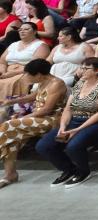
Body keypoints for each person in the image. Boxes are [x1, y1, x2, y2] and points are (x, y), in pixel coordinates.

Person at [36, 57, 98, 188]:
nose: (82, 71)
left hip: (97, 122)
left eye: (86, 68)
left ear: (97, 71)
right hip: (75, 120)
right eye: (81, 68)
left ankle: (84, 172)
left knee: (73, 146)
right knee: (43, 145)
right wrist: (63, 126)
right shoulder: (80, 83)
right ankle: (69, 169)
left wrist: (78, 129)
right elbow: (68, 108)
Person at [0, 59, 66, 189]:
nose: (26, 77)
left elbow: (47, 110)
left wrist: (24, 117)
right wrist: (12, 101)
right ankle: (10, 174)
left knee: (9, 126)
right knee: (12, 137)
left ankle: (10, 174)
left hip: (52, 119)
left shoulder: (56, 84)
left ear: (39, 74)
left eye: (28, 74)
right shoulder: (43, 82)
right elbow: (32, 97)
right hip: (38, 118)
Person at [0, 22, 50, 100]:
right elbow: (2, 62)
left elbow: (35, 66)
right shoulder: (13, 45)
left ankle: (8, 104)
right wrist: (3, 72)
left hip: (26, 72)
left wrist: (13, 73)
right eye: (20, 30)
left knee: (8, 83)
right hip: (7, 71)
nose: (22, 31)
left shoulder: (41, 45)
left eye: (26, 29)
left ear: (34, 31)